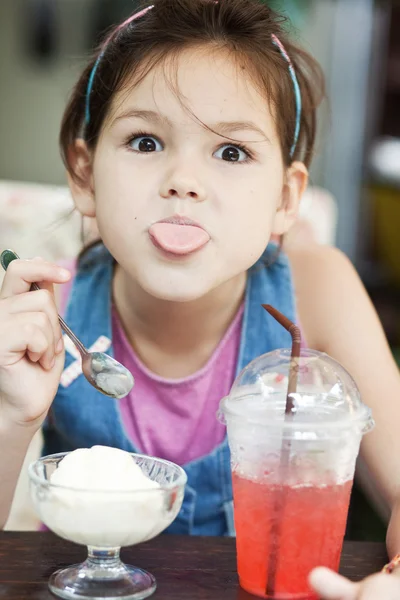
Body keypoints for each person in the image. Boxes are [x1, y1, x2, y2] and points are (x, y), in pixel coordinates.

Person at [1, 0, 400, 596]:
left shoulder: (319, 290)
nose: (183, 181)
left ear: (285, 199)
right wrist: (13, 415)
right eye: (144, 141)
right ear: (85, 175)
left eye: (232, 152)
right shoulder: (45, 313)